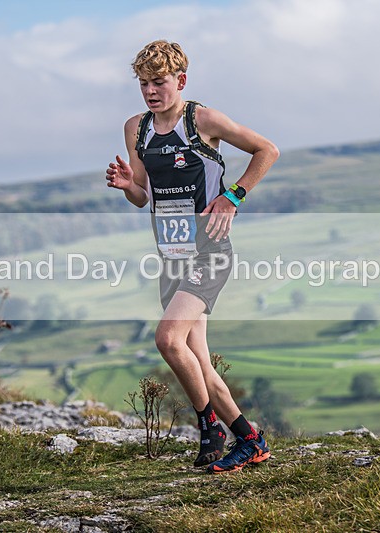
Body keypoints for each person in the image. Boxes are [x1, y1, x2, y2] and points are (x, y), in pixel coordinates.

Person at [105, 40, 279, 472]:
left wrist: (233, 196)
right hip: (172, 255)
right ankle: (250, 439)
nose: (150, 91)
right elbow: (143, 196)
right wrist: (129, 185)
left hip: (210, 251)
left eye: (159, 82)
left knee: (167, 339)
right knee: (197, 358)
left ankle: (210, 429)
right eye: (143, 83)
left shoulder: (202, 120)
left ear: (180, 80)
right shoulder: (136, 128)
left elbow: (267, 151)